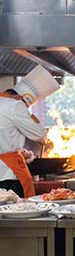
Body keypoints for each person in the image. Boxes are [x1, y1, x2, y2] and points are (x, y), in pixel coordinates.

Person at [0, 65, 59, 198]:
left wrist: (19, 152)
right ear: (22, 98)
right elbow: (39, 134)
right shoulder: (15, 105)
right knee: (16, 209)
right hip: (7, 176)